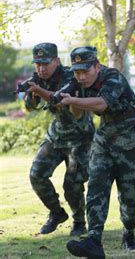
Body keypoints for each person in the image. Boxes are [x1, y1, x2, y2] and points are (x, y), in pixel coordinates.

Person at [63, 46, 135, 259]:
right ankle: (93, 240)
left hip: (131, 143)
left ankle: (128, 232)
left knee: (131, 199)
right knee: (96, 188)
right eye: (77, 72)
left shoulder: (113, 77)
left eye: (85, 71)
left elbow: (101, 103)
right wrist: (72, 95)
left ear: (97, 66)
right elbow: (77, 114)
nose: (81, 76)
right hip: (104, 142)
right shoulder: (80, 84)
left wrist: (73, 100)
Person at [26, 42, 94, 236]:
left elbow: (61, 101)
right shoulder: (38, 78)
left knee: (72, 184)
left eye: (45, 63)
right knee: (36, 174)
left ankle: (79, 221)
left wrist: (38, 89)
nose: (41, 68)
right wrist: (31, 92)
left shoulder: (70, 76)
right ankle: (56, 213)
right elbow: (31, 107)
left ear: (56, 61)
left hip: (80, 137)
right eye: (38, 64)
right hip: (56, 136)